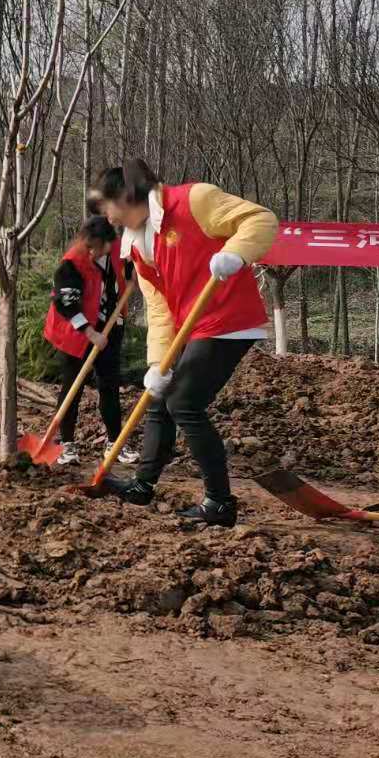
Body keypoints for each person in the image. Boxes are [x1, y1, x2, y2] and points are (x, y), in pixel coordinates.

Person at [91, 159, 278, 528]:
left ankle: (220, 502)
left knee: (185, 402)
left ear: (126, 197)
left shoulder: (195, 200)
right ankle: (143, 485)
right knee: (160, 396)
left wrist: (236, 252)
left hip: (228, 320)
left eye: (107, 207)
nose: (107, 218)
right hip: (191, 325)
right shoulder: (138, 246)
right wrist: (157, 363)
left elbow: (261, 219)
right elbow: (160, 309)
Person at [42, 215, 137, 466]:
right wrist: (89, 332)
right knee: (72, 386)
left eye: (100, 248)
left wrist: (133, 274)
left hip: (109, 326)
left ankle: (114, 442)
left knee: (109, 385)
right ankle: (67, 444)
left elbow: (129, 270)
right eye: (90, 247)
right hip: (74, 331)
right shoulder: (72, 262)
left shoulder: (118, 249)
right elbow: (66, 303)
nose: (94, 252)